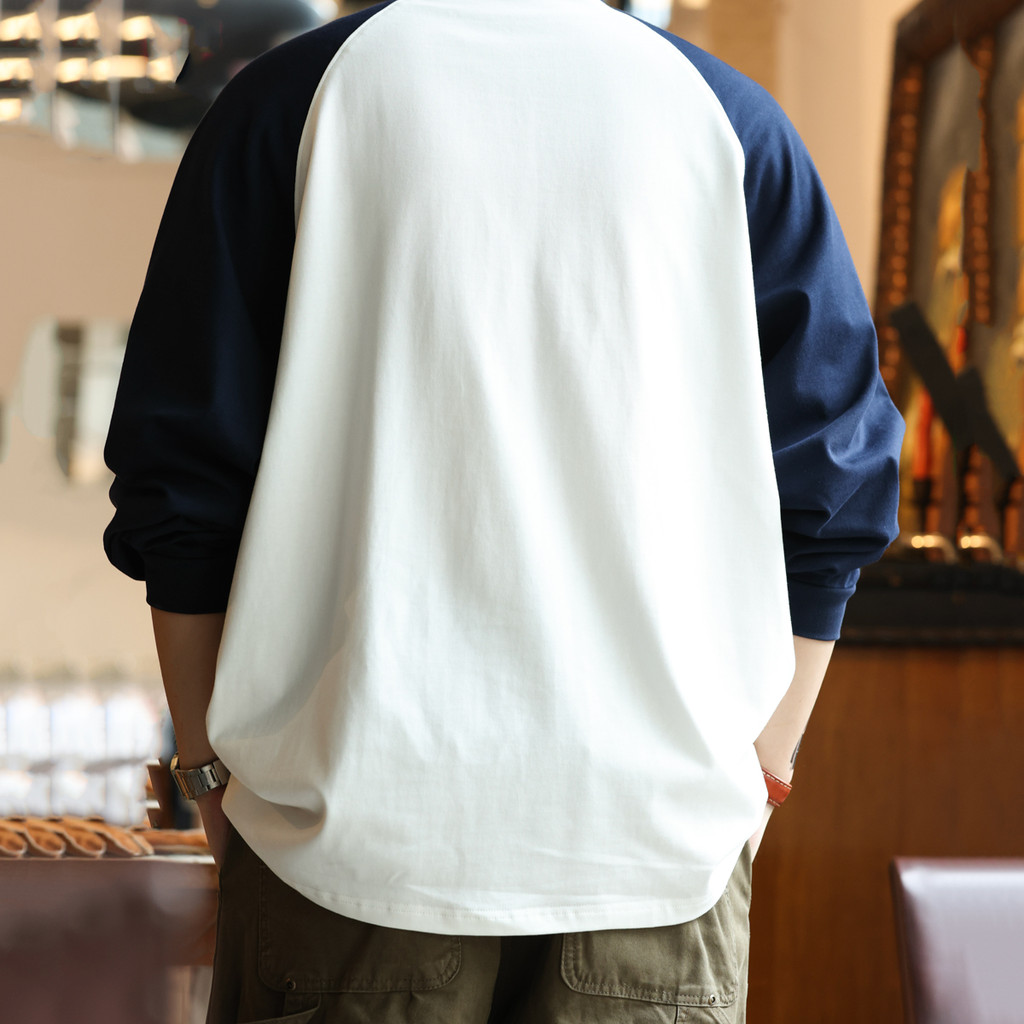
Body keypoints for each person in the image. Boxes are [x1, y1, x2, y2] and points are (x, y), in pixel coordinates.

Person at [103, 1, 904, 1021]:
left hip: (345, 843)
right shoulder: (731, 122)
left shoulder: (288, 103)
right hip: (654, 853)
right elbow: (835, 482)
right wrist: (765, 768)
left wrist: (208, 770)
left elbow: (183, 485)